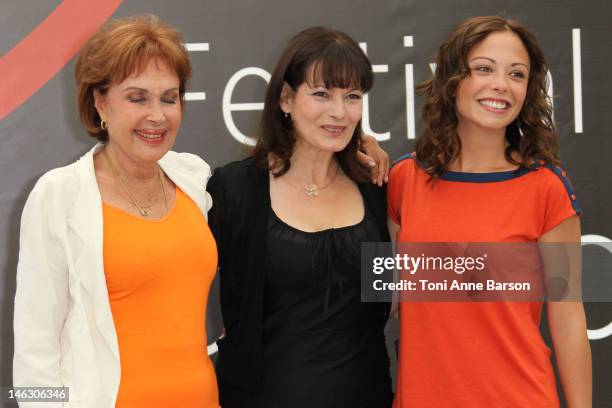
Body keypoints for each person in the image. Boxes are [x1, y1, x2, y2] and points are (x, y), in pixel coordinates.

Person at [13, 15, 219, 407]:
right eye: (137, 97)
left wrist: (351, 155)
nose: (157, 115)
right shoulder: (58, 196)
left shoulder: (195, 178)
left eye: (169, 98)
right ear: (100, 102)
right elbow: (32, 352)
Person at [387, 16, 592, 407]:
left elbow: (567, 319)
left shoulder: (546, 187)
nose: (501, 84)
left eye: (517, 74)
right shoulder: (403, 180)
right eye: (483, 68)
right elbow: (387, 293)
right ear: (452, 79)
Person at [207, 26, 394, 408]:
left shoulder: (376, 187)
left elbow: (390, 302)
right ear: (286, 99)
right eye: (321, 94)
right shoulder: (234, 189)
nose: (339, 112)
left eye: (352, 96)